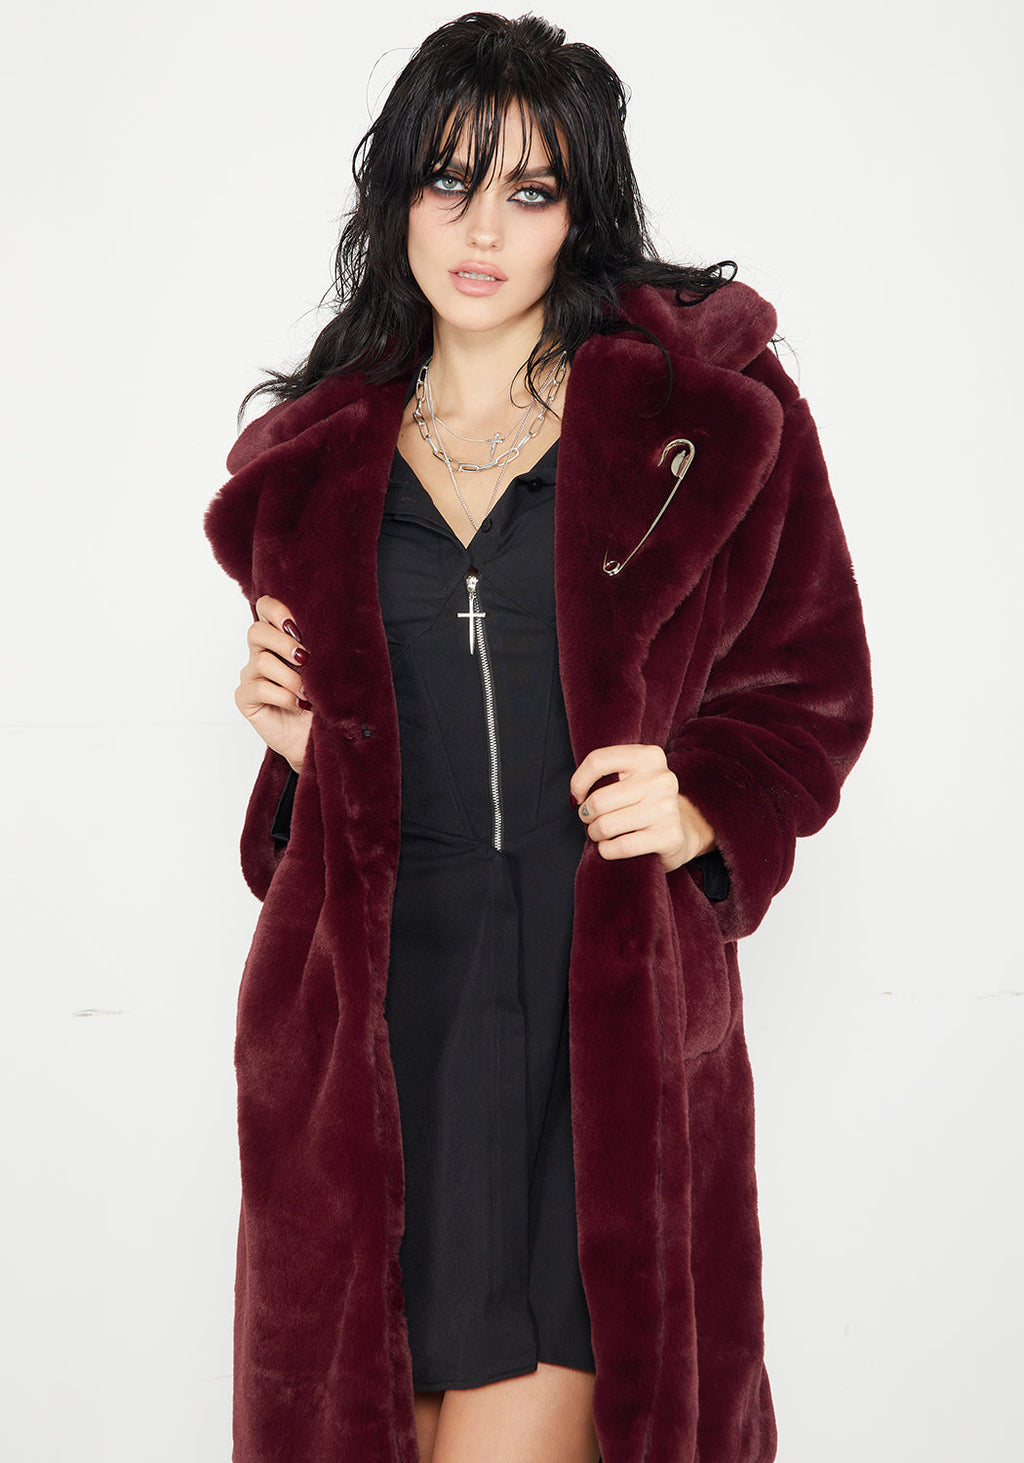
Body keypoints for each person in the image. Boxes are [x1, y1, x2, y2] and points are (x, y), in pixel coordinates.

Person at [204, 12, 872, 1463]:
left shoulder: (706, 421)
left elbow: (812, 683)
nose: (482, 228)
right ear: (396, 193)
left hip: (603, 1025)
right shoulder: (317, 459)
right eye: (449, 179)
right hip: (379, 1035)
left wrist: (702, 807)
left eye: (530, 187)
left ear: (582, 209)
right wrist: (297, 749)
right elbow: (327, 816)